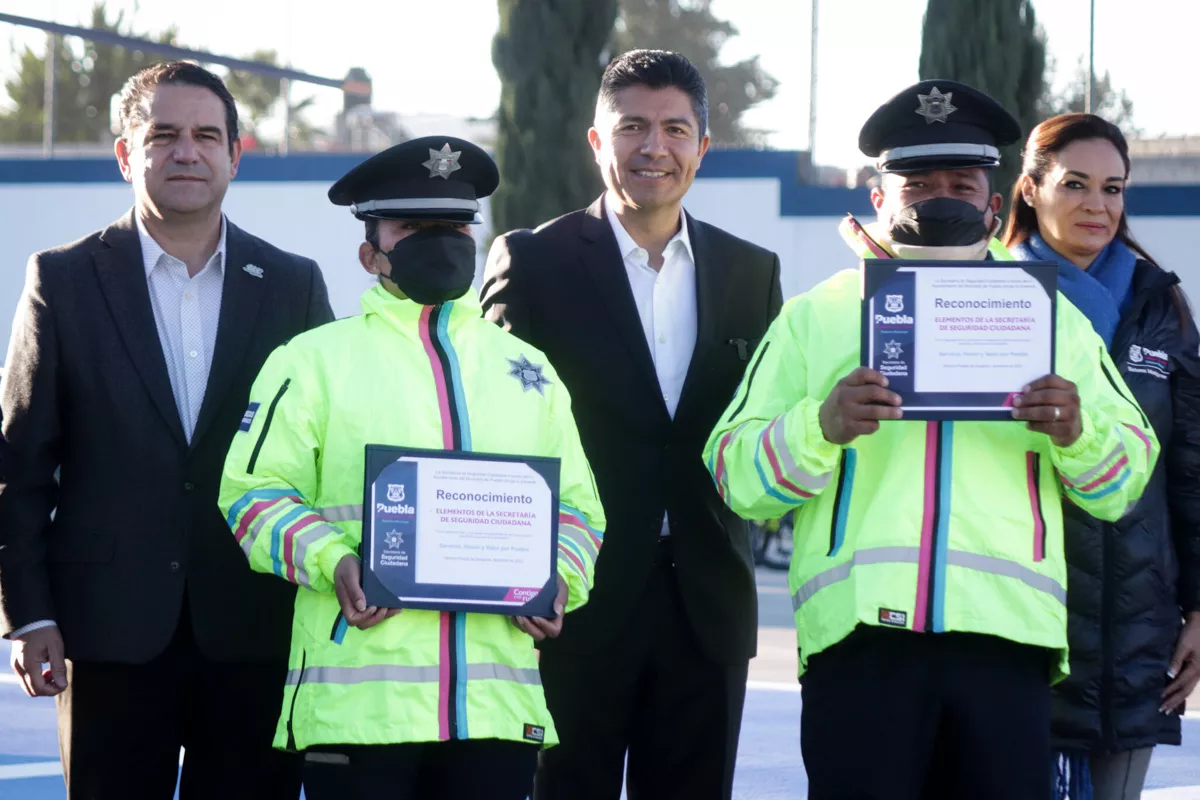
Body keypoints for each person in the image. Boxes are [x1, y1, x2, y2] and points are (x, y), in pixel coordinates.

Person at [703, 80, 1159, 800]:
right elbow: (734, 474)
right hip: (859, 646)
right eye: (916, 183)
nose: (940, 198)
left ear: (994, 202)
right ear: (878, 196)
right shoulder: (816, 317)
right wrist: (819, 428)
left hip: (1007, 646)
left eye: (961, 183)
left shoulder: (1051, 318)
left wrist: (1077, 432)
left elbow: (1127, 477)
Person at [218, 135, 606, 800]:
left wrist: (559, 579)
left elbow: (579, 508)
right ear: (369, 253)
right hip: (358, 713)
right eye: (412, 227)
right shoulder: (311, 361)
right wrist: (334, 561)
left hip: (495, 712)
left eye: (454, 225)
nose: (439, 240)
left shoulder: (528, 370)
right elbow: (251, 495)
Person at [0, 61, 333, 799]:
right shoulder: (61, 281)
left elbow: (325, 455)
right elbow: (20, 467)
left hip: (256, 631)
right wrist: (29, 615)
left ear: (235, 156)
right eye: (164, 135)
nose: (187, 151)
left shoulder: (294, 285)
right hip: (106, 637)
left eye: (207, 136)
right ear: (127, 154)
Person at [481, 49, 781, 800]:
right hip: (570, 601)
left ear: (702, 146)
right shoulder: (533, 261)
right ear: (597, 141)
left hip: (707, 606)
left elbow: (765, 419)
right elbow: (491, 431)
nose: (654, 147)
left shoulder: (752, 273)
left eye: (675, 129)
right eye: (633, 127)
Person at [1002, 113, 1200, 800]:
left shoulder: (1160, 304)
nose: (1098, 205)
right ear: (1030, 188)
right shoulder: (987, 297)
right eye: (1075, 184)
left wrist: (1199, 608)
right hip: (1019, 622)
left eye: (1113, 189)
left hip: (1133, 630)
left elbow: (1190, 470)